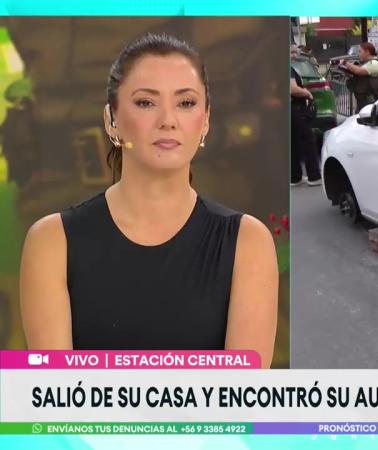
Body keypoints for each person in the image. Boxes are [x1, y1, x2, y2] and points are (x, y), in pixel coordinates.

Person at [19, 33, 278, 367]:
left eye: (186, 103)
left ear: (206, 121)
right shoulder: (52, 242)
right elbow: (56, 394)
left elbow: (240, 395)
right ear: (111, 120)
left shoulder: (247, 241)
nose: (168, 120)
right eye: (145, 102)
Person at [290, 45, 321, 186]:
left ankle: (295, 177)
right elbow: (293, 89)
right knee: (308, 140)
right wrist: (307, 94)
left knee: (293, 143)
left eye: (296, 52)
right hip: (296, 108)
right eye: (292, 52)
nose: (295, 55)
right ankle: (314, 176)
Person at [343, 42, 378, 111]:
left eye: (360, 51)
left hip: (372, 103)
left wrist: (345, 63)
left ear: (367, 52)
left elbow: (358, 71)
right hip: (362, 103)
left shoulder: (375, 63)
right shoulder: (366, 64)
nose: (359, 54)